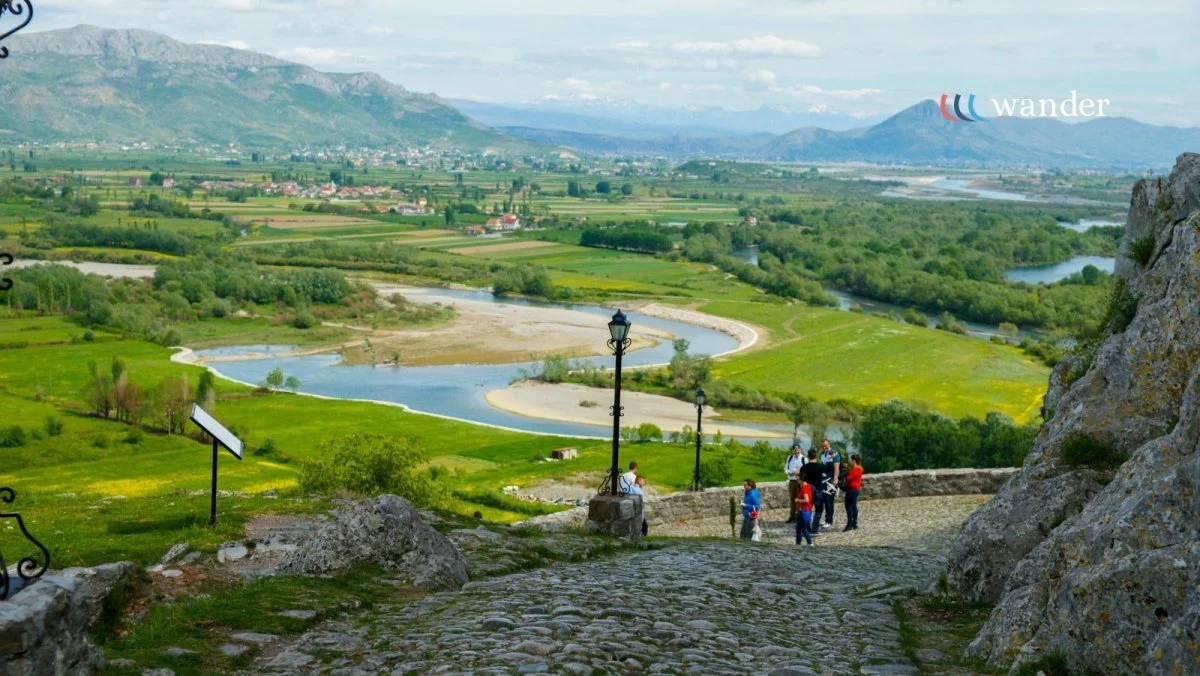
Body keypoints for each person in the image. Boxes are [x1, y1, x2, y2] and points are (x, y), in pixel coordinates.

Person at [816, 440, 841, 530]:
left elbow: (836, 468)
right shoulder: (822, 454)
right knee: (824, 500)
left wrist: (835, 479)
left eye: (825, 446)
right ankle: (826, 518)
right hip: (823, 481)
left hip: (830, 481)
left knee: (829, 501)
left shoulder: (834, 454)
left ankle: (829, 521)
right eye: (823, 446)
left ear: (829, 444)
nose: (824, 448)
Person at [800, 449, 825, 534]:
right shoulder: (820, 466)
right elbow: (830, 468)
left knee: (808, 509)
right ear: (816, 456)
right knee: (818, 510)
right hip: (818, 490)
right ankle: (814, 529)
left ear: (808, 456)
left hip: (808, 490)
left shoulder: (804, 468)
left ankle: (807, 528)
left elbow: (801, 480)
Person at [784, 444, 805, 523]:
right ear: (793, 450)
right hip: (791, 481)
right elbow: (785, 468)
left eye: (798, 449)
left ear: (800, 450)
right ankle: (792, 516)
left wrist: (799, 473)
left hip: (799, 482)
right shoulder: (789, 458)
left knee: (799, 500)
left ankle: (799, 517)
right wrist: (789, 472)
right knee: (792, 500)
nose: (796, 451)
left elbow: (805, 470)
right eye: (795, 450)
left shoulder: (804, 459)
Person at [843, 454, 863, 531]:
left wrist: (845, 476)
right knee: (853, 507)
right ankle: (854, 523)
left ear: (854, 461)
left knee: (849, 507)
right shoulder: (857, 468)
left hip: (852, 490)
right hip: (854, 489)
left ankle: (850, 524)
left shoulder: (857, 469)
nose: (850, 461)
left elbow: (849, 478)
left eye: (851, 460)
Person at [794, 475, 815, 546]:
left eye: (797, 480)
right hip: (806, 510)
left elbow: (806, 500)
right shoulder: (809, 486)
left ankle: (810, 543)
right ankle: (798, 543)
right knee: (798, 528)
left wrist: (798, 500)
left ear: (801, 480)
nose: (797, 481)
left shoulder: (804, 488)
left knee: (803, 528)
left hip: (803, 511)